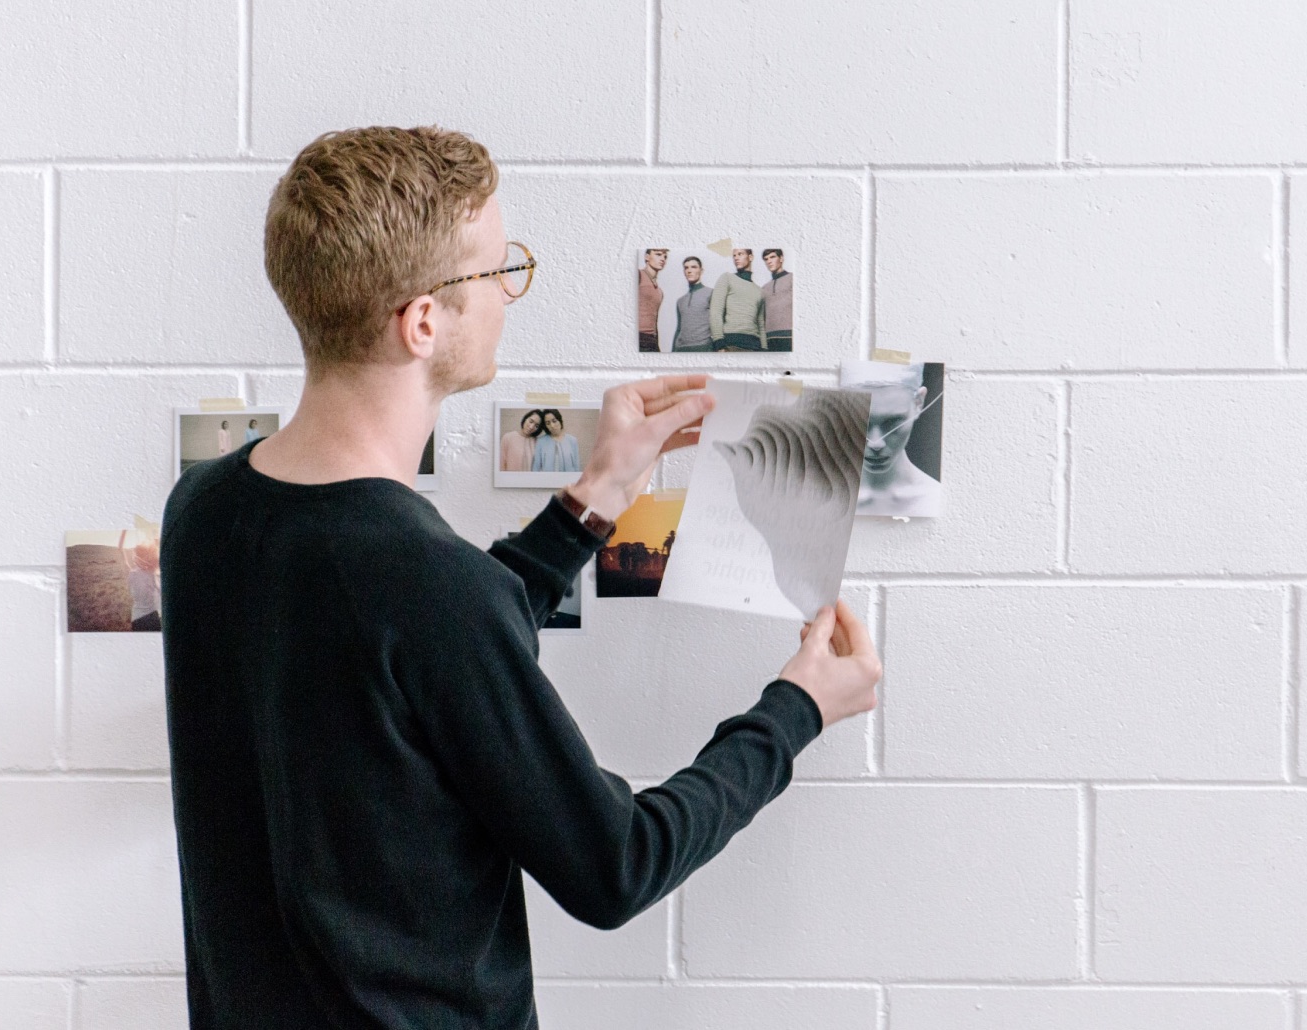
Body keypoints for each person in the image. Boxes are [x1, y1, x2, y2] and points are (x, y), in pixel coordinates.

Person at [159, 125, 881, 1030]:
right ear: (423, 321)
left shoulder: (204, 511)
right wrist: (798, 707)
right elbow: (616, 864)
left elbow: (427, 658)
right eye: (498, 272)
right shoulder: (422, 585)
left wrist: (597, 494)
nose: (509, 292)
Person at [850, 363, 942, 517]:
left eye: (892, 422)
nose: (876, 443)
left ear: (918, 403)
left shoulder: (934, 498)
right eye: (860, 421)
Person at [709, 247, 765, 351]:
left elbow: (761, 323)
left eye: (740, 254)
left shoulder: (760, 291)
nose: (736, 258)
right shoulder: (727, 278)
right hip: (731, 343)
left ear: (751, 257)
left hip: (755, 346)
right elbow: (716, 311)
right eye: (734, 255)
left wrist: (764, 348)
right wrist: (718, 342)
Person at [671, 255, 713, 351]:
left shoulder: (711, 293)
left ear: (701, 271)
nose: (689, 270)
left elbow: (719, 322)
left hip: (703, 347)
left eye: (693, 267)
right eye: (686, 268)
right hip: (681, 349)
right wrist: (673, 352)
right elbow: (678, 329)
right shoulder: (680, 301)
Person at [531, 407, 582, 473]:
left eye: (554, 421)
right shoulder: (541, 441)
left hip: (568, 481)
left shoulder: (572, 440)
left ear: (560, 421)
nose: (552, 425)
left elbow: (576, 466)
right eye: (548, 423)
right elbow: (536, 467)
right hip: (548, 481)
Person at [760, 248, 792, 352]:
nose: (769, 261)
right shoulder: (764, 288)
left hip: (789, 335)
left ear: (781, 258)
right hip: (770, 338)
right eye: (766, 259)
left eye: (772, 257)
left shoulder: (793, 279)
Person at [637, 248, 666, 352]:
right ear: (647, 257)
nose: (662, 259)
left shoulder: (659, 291)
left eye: (665, 256)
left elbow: (654, 320)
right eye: (658, 254)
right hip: (638, 338)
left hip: (652, 341)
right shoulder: (638, 275)